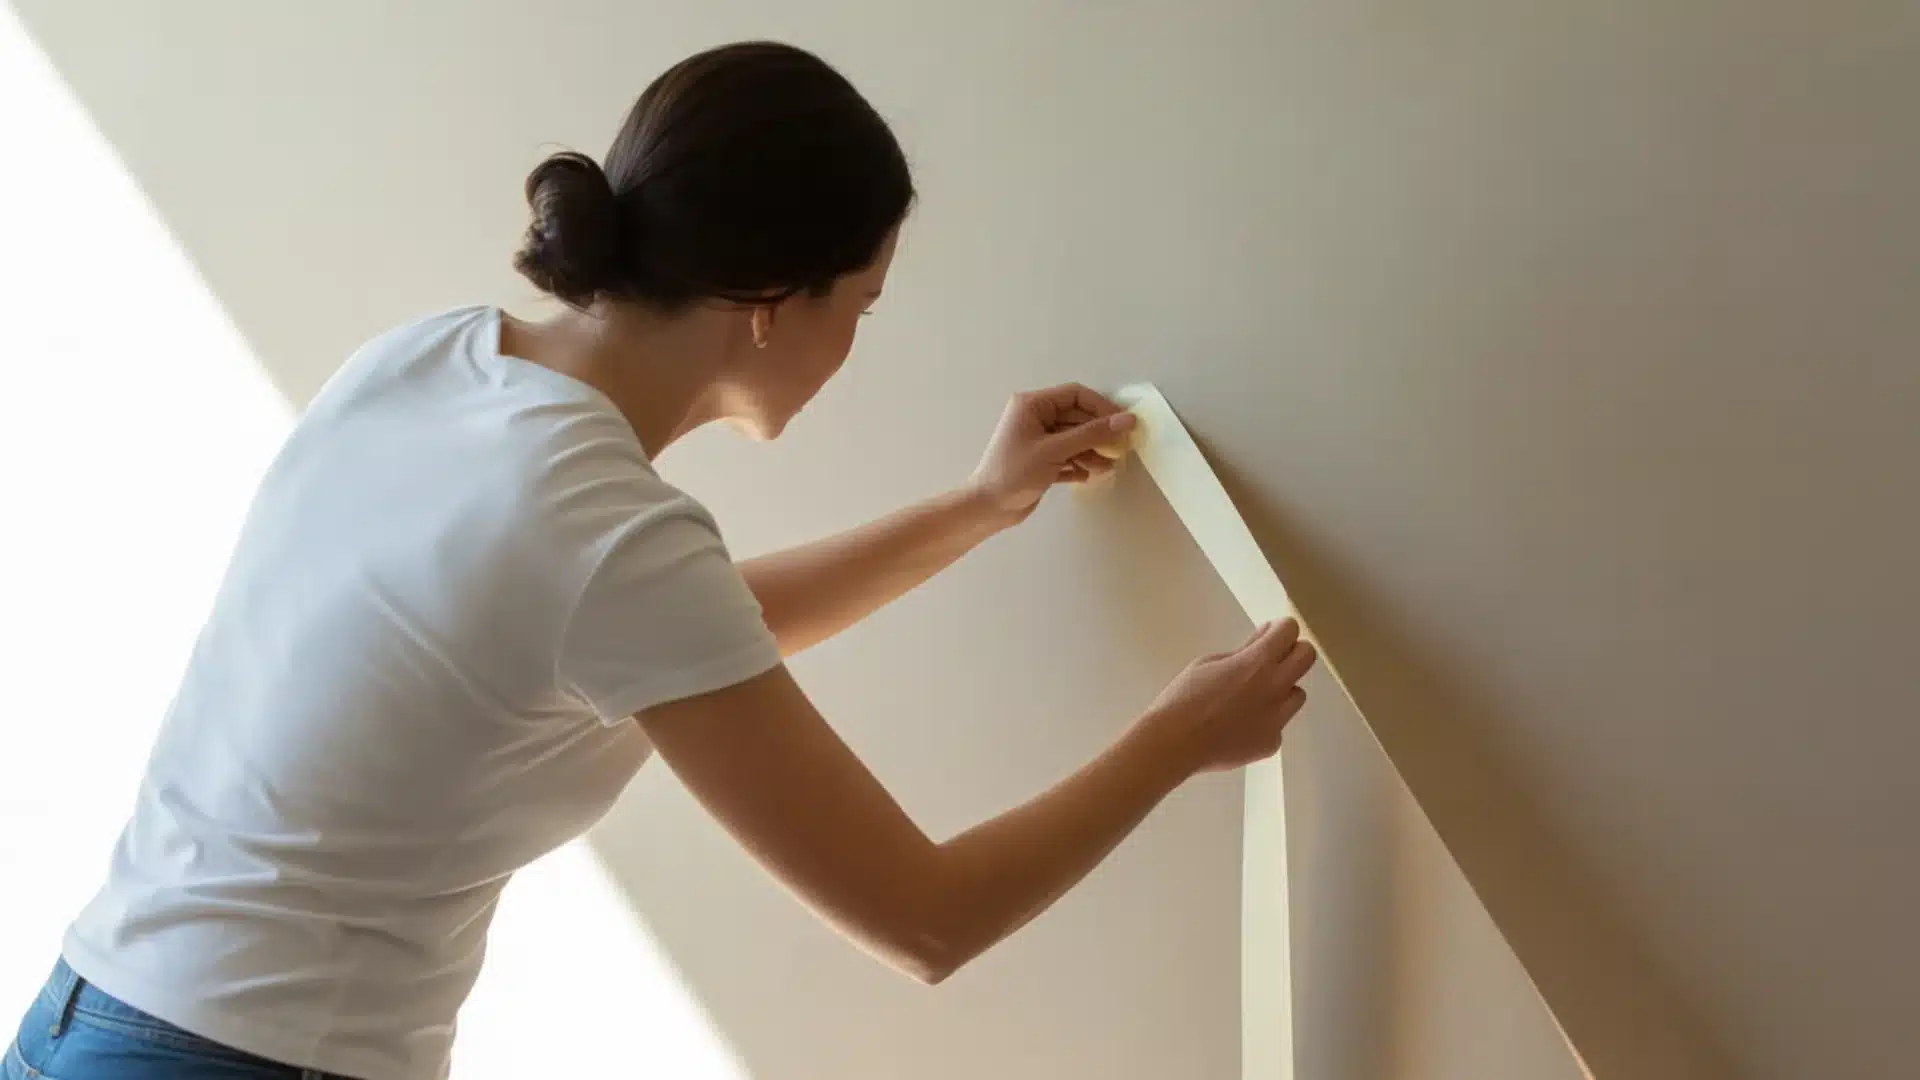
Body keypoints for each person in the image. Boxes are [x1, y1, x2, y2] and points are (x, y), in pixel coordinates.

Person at [5, 40, 1316, 1080]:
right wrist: (1177, 739)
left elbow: (681, 634)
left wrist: (977, 507)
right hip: (250, 1060)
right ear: (771, 306)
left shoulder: (428, 361)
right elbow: (927, 919)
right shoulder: (607, 531)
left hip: (83, 1017)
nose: (856, 343)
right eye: (861, 305)